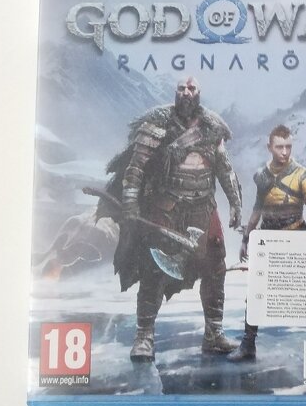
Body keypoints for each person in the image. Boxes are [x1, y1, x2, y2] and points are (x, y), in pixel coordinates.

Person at [104, 77, 243, 362]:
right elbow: (136, 169)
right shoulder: (157, 124)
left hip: (204, 209)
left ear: (199, 94)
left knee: (215, 268)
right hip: (168, 207)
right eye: (182, 89)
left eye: (192, 89)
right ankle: (144, 337)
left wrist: (235, 203)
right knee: (154, 269)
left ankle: (213, 334)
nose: (186, 93)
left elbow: (225, 169)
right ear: (176, 93)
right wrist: (130, 203)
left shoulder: (212, 127)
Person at [230, 125, 306, 362]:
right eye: (279, 147)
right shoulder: (262, 176)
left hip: (297, 237)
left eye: (288, 147)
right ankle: (248, 345)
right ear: (269, 147)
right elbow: (257, 208)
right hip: (268, 239)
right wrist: (246, 238)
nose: (284, 152)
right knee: (256, 292)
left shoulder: (302, 175)